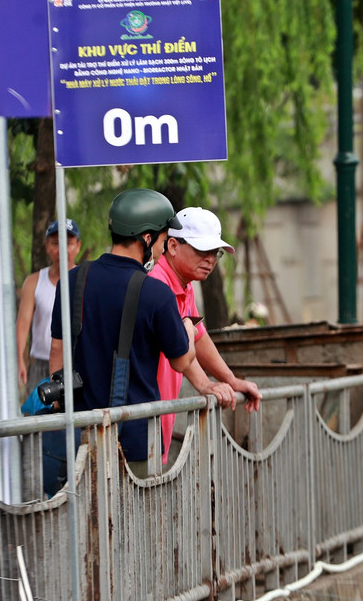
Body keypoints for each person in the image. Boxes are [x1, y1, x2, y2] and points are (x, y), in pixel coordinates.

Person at [48, 188, 235, 477]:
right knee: (133, 520)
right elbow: (182, 360)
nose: (161, 249)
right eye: (162, 240)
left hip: (79, 437)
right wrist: (186, 327)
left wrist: (62, 400)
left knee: (87, 519)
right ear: (147, 239)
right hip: (135, 440)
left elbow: (58, 350)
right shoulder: (155, 293)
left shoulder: (71, 281)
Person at [150, 206, 263, 462]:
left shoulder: (183, 285)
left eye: (215, 252)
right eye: (202, 250)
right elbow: (177, 345)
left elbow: (198, 336)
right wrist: (205, 384)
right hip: (144, 413)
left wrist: (231, 381)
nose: (210, 259)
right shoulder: (156, 285)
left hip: (160, 411)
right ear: (173, 246)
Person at [16, 219, 80, 395]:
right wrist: (19, 358)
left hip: (74, 364)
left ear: (78, 246)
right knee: (37, 418)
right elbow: (23, 323)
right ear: (47, 246)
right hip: (40, 364)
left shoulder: (84, 282)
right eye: (55, 243)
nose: (61, 250)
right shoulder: (33, 282)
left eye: (68, 244)